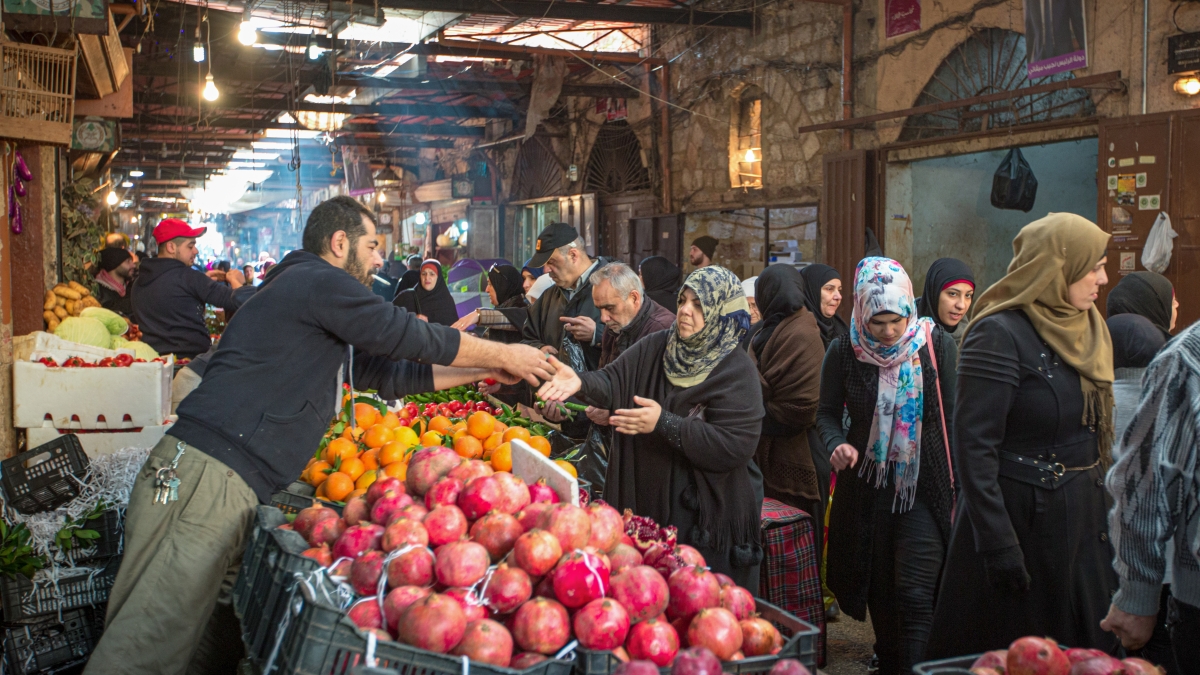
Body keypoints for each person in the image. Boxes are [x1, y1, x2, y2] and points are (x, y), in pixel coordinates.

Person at [84, 196, 555, 675]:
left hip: (226, 484)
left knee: (201, 645)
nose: (378, 259)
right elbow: (402, 335)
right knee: (142, 650)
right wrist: (509, 353)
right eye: (372, 246)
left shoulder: (308, 295)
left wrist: (486, 368)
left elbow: (387, 372)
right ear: (339, 243)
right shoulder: (317, 280)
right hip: (205, 482)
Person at [928, 213, 1118, 658]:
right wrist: (998, 544)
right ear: (1058, 265)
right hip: (1026, 526)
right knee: (1026, 653)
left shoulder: (1090, 328)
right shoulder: (997, 333)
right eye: (1094, 266)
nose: (1102, 279)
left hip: (1086, 527)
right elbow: (975, 448)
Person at [538, 266, 764, 587]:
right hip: (654, 500)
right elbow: (613, 380)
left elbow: (734, 445)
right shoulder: (659, 344)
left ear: (722, 311)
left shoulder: (736, 370)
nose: (685, 310)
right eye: (683, 300)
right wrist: (579, 381)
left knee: (697, 597)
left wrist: (664, 423)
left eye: (698, 304)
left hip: (706, 517)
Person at [818, 258, 957, 675]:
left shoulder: (936, 346)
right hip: (866, 491)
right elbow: (824, 414)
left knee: (915, 592)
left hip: (924, 487)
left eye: (896, 320)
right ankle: (893, 660)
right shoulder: (843, 350)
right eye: (877, 323)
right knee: (878, 590)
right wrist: (837, 444)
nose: (889, 332)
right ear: (861, 312)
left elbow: (955, 417)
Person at [1102, 322, 1200, 675]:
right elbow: (1148, 480)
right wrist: (1139, 594)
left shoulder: (1186, 355)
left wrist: (1138, 596)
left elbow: (1145, 482)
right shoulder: (1188, 358)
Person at [750, 265, 824, 526]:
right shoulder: (763, 329)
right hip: (764, 451)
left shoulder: (803, 332)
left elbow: (803, 407)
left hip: (802, 450)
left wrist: (751, 413)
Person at [132, 219, 244, 359]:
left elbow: (173, 295)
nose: (195, 251)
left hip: (155, 361)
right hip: (190, 363)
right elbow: (238, 300)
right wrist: (236, 281)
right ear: (171, 247)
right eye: (190, 246)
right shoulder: (189, 277)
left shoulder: (139, 282)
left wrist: (201, 282)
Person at [521, 222, 612, 372]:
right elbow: (527, 337)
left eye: (551, 262)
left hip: (600, 391)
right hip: (555, 391)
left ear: (573, 255)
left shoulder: (615, 286)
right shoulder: (548, 297)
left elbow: (638, 338)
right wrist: (539, 348)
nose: (546, 270)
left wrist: (598, 335)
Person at [452, 264, 530, 344]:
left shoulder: (523, 311)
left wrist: (478, 315)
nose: (486, 290)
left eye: (490, 284)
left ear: (502, 286)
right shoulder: (503, 308)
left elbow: (509, 318)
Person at [915, 258, 975, 348]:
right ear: (934, 293)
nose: (961, 305)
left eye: (968, 295)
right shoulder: (903, 337)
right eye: (953, 294)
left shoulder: (973, 341)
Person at [1107, 271, 1177, 342]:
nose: (1177, 304)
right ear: (1152, 310)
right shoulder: (1155, 350)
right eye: (1172, 301)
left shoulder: (1105, 345)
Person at [393, 259, 459, 326]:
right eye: (424, 274)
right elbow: (388, 319)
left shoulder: (446, 301)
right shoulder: (406, 297)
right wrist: (411, 320)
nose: (427, 277)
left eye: (432, 274)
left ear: (438, 278)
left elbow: (453, 330)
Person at [800, 264, 849, 349]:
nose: (838, 297)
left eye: (839, 290)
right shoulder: (799, 333)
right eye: (829, 289)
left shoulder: (841, 331)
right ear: (812, 292)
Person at [94, 247, 136, 316]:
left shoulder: (132, 286)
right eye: (128, 261)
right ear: (114, 264)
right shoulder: (97, 290)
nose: (133, 265)